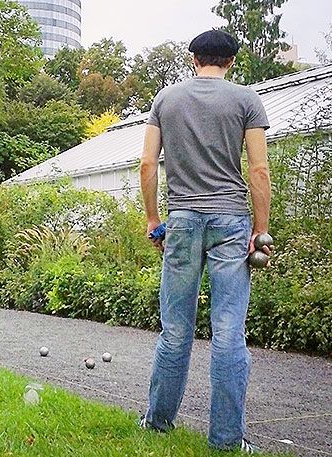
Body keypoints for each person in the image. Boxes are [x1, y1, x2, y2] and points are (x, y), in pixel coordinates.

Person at [138, 30, 272, 453]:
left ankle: (157, 424)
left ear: (192, 57)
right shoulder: (246, 99)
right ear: (231, 61)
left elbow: (146, 164)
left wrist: (153, 219)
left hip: (180, 221)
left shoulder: (166, 100)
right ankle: (227, 441)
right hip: (231, 222)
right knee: (229, 334)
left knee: (175, 330)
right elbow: (259, 171)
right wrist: (260, 230)